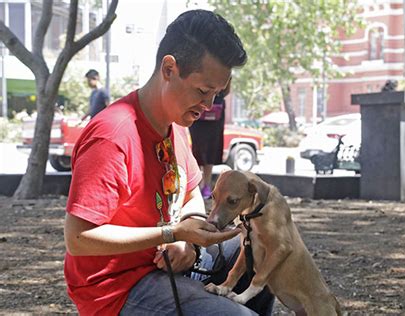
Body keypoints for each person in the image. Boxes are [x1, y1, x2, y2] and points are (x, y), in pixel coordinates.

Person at [63, 9, 274, 316]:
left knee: (262, 249)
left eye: (217, 93)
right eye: (203, 91)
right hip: (115, 288)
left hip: (166, 264)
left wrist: (188, 237)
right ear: (169, 69)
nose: (209, 105)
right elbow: (78, 239)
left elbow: (190, 194)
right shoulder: (112, 135)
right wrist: (172, 234)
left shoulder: (175, 124)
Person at [189, 80, 230, 199]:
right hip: (197, 112)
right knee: (197, 148)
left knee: (212, 148)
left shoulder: (225, 71)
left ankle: (206, 184)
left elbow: (227, 90)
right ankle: (197, 184)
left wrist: (215, 93)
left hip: (215, 114)